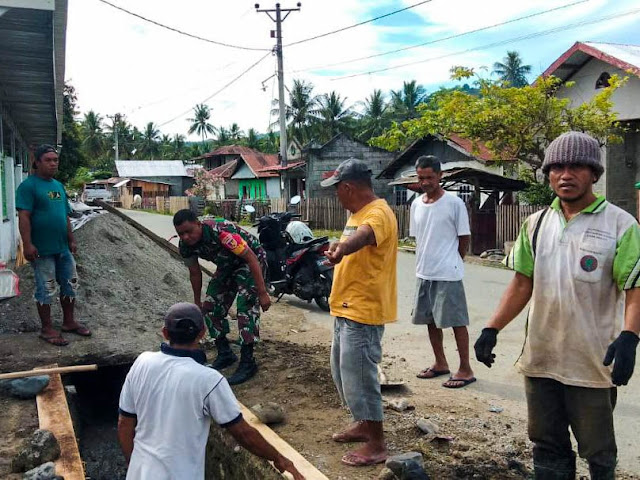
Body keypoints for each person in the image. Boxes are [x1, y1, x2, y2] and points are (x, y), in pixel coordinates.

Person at [474, 131, 640, 479]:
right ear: (548, 173)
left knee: (598, 452)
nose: (566, 175)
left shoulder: (621, 225)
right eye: (558, 167)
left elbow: (634, 287)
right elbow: (522, 282)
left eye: (577, 166)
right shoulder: (535, 224)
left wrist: (630, 336)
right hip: (542, 358)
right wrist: (492, 327)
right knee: (546, 445)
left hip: (592, 363)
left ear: (594, 173)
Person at [117, 302, 304, 480]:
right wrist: (280, 458)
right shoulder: (208, 379)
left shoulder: (142, 363)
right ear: (203, 333)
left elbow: (124, 423)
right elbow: (243, 433)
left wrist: (133, 464)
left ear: (165, 333)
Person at [321, 158, 398, 467]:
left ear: (348, 187)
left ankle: (377, 443)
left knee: (361, 376)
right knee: (343, 373)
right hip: (345, 304)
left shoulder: (378, 211)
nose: (335, 196)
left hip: (363, 309)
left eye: (337, 189)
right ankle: (362, 423)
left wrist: (343, 249)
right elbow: (355, 238)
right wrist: (337, 253)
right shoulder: (356, 213)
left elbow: (364, 236)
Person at [173, 209, 270, 385]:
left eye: (189, 231)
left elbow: (252, 258)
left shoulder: (222, 233)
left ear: (198, 224)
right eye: (181, 234)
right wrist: (197, 302)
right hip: (227, 265)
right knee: (210, 307)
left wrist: (262, 292)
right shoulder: (185, 246)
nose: (186, 237)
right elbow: (195, 273)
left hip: (249, 261)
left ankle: (248, 362)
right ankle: (225, 353)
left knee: (245, 307)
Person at [15, 144, 91, 346]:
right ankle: (47, 329)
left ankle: (68, 322)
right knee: (46, 288)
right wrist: (27, 244)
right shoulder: (28, 187)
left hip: (62, 248)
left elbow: (64, 215)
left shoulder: (58, 186)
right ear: (37, 162)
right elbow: (24, 217)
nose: (53, 163)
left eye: (55, 160)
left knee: (70, 283)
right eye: (48, 160)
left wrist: (71, 239)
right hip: (42, 250)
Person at [410, 155, 475, 388]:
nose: (425, 182)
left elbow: (464, 237)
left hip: (448, 272)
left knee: (456, 321)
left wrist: (455, 260)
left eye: (429, 177)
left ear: (440, 176)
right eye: (421, 178)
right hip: (424, 271)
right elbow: (419, 237)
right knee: (430, 321)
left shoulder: (454, 203)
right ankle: (440, 363)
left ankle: (465, 369)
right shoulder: (416, 204)